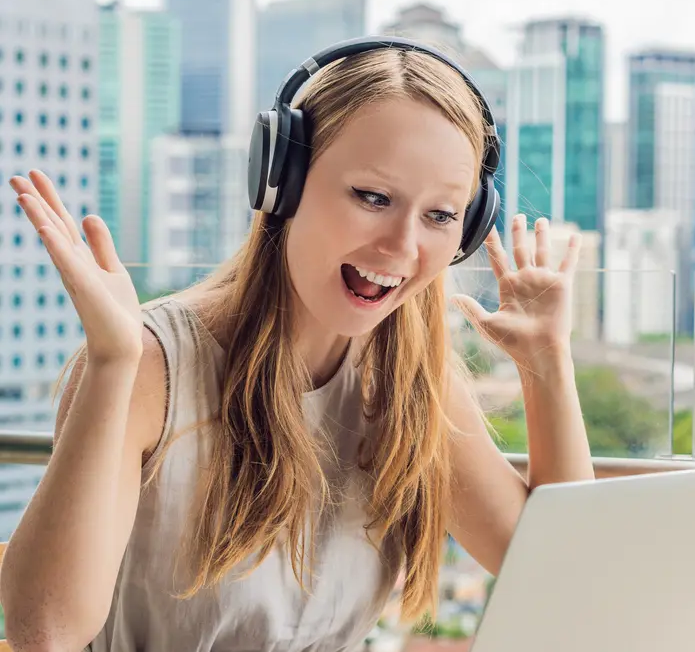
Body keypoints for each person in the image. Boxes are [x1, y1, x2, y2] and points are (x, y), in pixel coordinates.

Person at [0, 38, 594, 651]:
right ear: (282, 183)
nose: (402, 246)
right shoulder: (151, 365)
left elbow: (562, 577)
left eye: (440, 216)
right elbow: (45, 631)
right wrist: (112, 364)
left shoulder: (410, 382)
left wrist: (548, 363)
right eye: (373, 197)